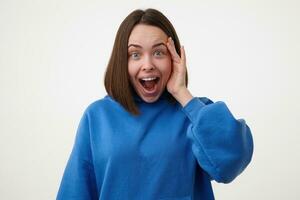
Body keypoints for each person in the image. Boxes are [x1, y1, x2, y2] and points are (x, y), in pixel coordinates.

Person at [56, 8, 254, 200]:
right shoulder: (97, 116)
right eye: (135, 55)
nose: (148, 64)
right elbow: (75, 192)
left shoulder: (195, 114)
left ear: (173, 58)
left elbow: (231, 162)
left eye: (159, 53)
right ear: (122, 62)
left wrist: (181, 92)